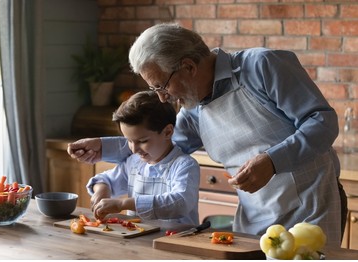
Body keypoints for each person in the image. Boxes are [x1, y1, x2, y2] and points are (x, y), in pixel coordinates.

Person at [68, 23, 347, 247]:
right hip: (254, 218)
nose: (163, 99)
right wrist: (103, 147)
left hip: (312, 208)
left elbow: (322, 121)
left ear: (189, 67)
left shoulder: (262, 66)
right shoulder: (192, 110)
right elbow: (161, 147)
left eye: (161, 86)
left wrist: (272, 161)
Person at [80, 91, 200, 225]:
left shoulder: (185, 165)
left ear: (167, 132)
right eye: (129, 141)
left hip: (176, 242)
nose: (134, 149)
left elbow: (180, 203)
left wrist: (123, 203)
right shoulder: (134, 162)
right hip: (139, 239)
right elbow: (105, 180)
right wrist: (102, 191)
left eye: (142, 141)